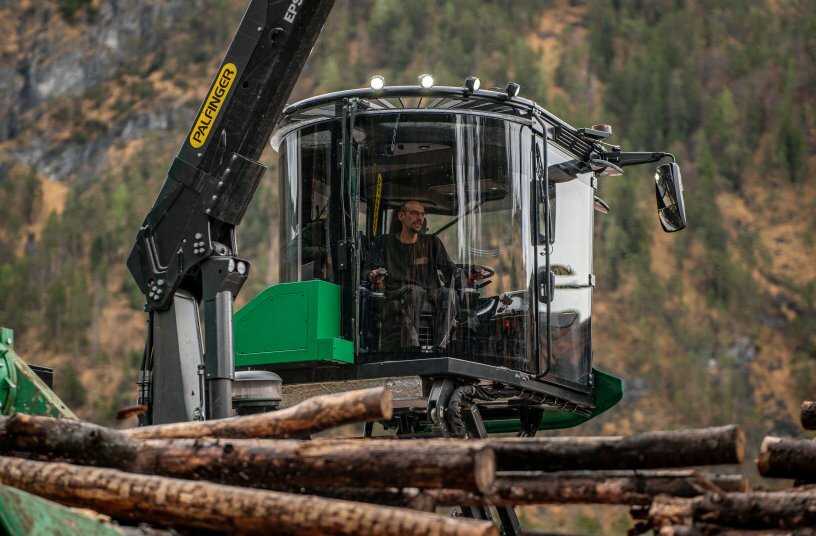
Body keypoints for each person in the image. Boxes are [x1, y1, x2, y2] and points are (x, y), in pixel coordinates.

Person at [364, 200, 458, 350]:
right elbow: (367, 271)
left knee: (448, 293)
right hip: (397, 293)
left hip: (430, 292)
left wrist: (467, 275)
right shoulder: (384, 243)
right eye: (414, 213)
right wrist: (373, 274)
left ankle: (441, 348)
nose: (420, 218)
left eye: (422, 214)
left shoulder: (432, 243)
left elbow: (450, 270)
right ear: (401, 216)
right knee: (415, 292)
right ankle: (412, 349)